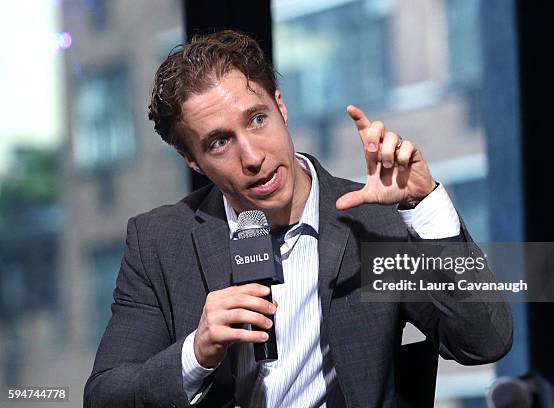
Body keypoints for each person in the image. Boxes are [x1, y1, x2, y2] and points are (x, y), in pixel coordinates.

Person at [84, 30, 512, 407]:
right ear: (192, 161)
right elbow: (106, 396)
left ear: (281, 108)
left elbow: (484, 341)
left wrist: (425, 205)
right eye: (218, 142)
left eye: (257, 119)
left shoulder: (374, 222)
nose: (253, 157)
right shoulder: (160, 241)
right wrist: (196, 353)